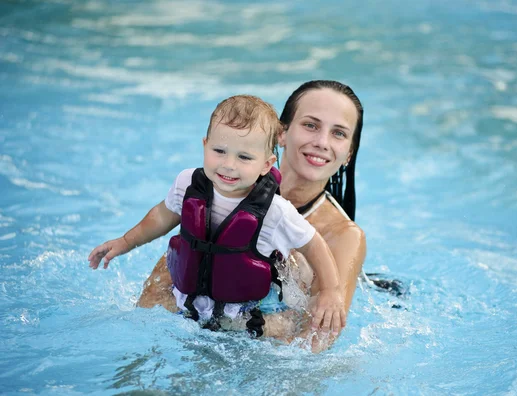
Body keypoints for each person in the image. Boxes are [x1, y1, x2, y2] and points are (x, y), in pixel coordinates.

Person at [88, 94, 347, 336]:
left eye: (244, 157)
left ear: (266, 165)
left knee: (282, 331)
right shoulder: (187, 183)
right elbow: (160, 217)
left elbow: (315, 246)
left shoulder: (276, 211)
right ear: (205, 145)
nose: (229, 164)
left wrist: (330, 291)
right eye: (219, 151)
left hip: (251, 313)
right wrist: (124, 242)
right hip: (189, 300)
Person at [137, 80, 367, 351]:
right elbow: (156, 290)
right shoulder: (222, 190)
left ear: (349, 153)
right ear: (281, 134)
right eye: (310, 125)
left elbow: (315, 341)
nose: (321, 142)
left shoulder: (343, 236)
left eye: (339, 133)